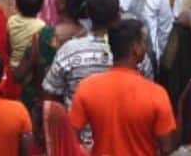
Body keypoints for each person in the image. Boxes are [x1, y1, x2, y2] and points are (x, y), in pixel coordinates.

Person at [69, 18, 179, 156]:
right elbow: (167, 147)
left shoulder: (87, 88)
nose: (146, 47)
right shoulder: (156, 94)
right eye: (144, 42)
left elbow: (71, 137)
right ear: (136, 49)